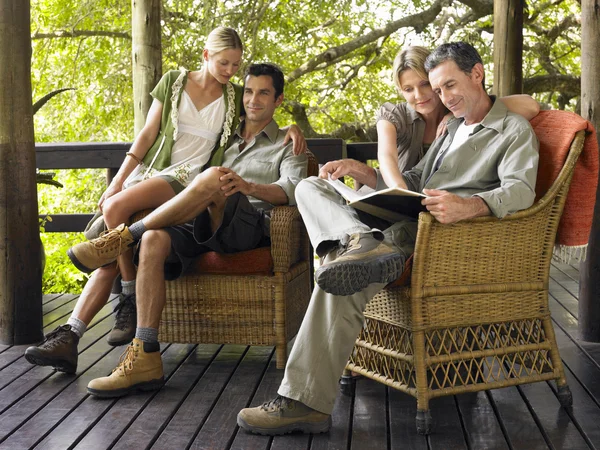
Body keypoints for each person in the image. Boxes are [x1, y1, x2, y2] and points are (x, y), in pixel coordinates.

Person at [235, 42, 540, 435]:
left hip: (434, 238)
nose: (444, 98)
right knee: (311, 187)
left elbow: (521, 191)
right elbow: (414, 182)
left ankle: (302, 403)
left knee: (340, 272)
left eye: (449, 86)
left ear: (477, 74)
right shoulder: (452, 130)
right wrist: (361, 174)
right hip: (396, 223)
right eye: (439, 89)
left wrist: (473, 205)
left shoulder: (513, 130)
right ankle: (359, 243)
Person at [24, 28, 305, 372]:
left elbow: (289, 184)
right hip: (184, 206)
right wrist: (121, 181)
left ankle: (125, 245)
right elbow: (150, 133)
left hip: (225, 213)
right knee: (125, 242)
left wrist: (282, 141)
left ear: (277, 100)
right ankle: (71, 335)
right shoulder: (229, 123)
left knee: (202, 181)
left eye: (262, 93)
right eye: (248, 91)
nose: (252, 98)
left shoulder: (268, 131)